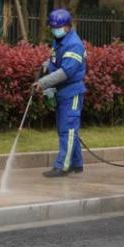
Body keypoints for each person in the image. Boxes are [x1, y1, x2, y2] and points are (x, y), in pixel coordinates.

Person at [34, 9, 86, 177]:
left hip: (71, 92)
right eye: (53, 27)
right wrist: (46, 65)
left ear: (67, 26)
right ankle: (77, 164)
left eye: (58, 27)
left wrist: (42, 82)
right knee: (67, 130)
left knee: (67, 130)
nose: (55, 30)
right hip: (61, 92)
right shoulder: (60, 40)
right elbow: (56, 61)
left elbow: (66, 72)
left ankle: (62, 166)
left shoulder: (74, 44)